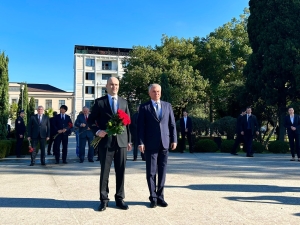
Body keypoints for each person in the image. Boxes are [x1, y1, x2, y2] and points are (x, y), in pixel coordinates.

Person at [88, 77, 132, 212]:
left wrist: (129, 140)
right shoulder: (99, 102)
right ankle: (104, 199)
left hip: (122, 142)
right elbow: (90, 121)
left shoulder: (124, 102)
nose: (114, 87)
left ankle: (120, 199)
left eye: (116, 84)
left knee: (121, 171)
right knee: (105, 172)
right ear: (106, 86)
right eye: (111, 84)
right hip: (106, 143)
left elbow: (128, 123)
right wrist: (98, 131)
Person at [138, 83, 177, 208]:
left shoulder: (167, 106)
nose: (157, 93)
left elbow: (172, 124)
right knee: (151, 172)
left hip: (165, 143)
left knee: (163, 171)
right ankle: (153, 197)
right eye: (154, 91)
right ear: (150, 93)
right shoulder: (144, 107)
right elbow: (140, 127)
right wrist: (141, 142)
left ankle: (161, 197)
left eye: (159, 91)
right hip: (150, 144)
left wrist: (174, 140)